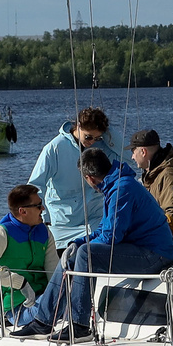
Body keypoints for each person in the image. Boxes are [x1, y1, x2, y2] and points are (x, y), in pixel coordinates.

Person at [13, 145, 173, 338]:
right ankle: (44, 321)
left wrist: (83, 247)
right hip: (141, 248)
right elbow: (103, 230)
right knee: (75, 251)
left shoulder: (122, 190)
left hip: (155, 254)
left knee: (85, 253)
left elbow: (111, 237)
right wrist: (76, 242)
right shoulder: (115, 186)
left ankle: (79, 326)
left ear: (89, 178)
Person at [29, 105, 117, 245]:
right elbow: (35, 185)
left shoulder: (102, 146)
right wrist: (43, 219)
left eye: (97, 137)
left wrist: (109, 134)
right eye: (89, 137)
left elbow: (128, 158)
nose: (92, 141)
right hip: (62, 225)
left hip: (95, 219)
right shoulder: (54, 148)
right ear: (78, 126)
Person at [0, 184, 56, 318]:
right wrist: (20, 283)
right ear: (23, 211)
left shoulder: (45, 232)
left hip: (42, 300)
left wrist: (60, 297)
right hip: (15, 309)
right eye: (38, 205)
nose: (43, 209)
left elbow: (53, 272)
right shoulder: (2, 232)